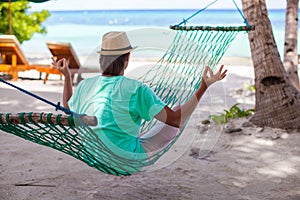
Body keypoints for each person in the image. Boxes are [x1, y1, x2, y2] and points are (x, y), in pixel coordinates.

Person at [53, 31, 227, 159]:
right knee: (177, 114)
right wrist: (204, 86)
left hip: (94, 155)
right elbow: (174, 120)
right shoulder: (136, 89)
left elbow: (67, 106)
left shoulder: (86, 85)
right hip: (125, 160)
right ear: (127, 59)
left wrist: (67, 76)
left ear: (102, 60)